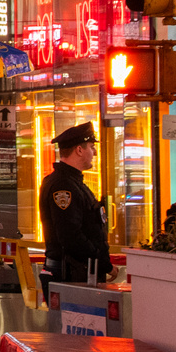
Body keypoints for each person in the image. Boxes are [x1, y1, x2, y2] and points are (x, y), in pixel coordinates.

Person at [39, 122, 112, 285]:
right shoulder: (64, 186)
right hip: (71, 274)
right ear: (79, 150)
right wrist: (103, 264)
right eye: (91, 147)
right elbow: (71, 236)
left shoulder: (70, 182)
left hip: (74, 272)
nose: (94, 152)